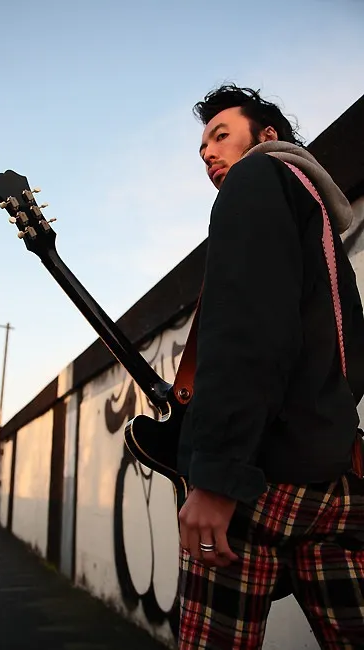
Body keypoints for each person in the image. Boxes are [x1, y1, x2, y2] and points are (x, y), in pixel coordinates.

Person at [177, 84, 364, 649]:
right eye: (202, 148)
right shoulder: (320, 221)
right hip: (333, 484)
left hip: (257, 485)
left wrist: (217, 473)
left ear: (267, 136)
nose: (209, 153)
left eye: (220, 135)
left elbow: (246, 330)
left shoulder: (256, 177)